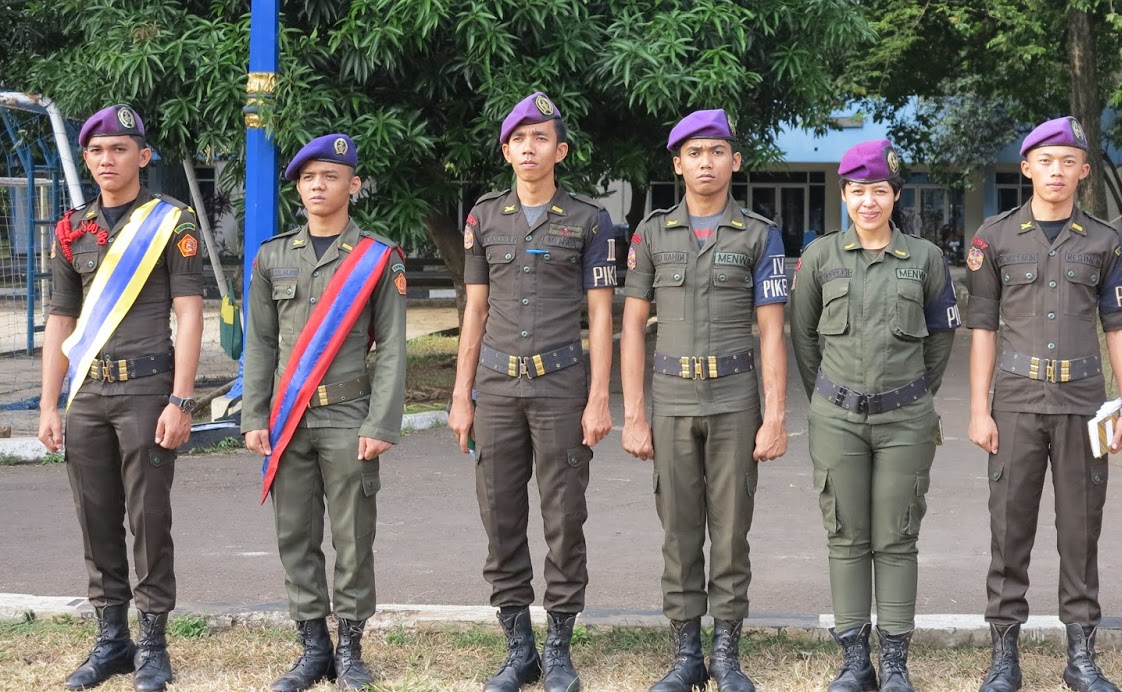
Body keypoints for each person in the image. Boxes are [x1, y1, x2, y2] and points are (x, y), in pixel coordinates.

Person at [447, 92, 618, 692]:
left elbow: (601, 316)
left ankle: (560, 646)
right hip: (495, 386)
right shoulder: (483, 218)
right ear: (505, 150)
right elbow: (474, 309)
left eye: (541, 137)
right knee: (500, 516)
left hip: (562, 384)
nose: (529, 147)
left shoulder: (591, 221)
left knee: (565, 515)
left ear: (560, 150)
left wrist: (601, 397)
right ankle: (518, 647)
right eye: (519, 139)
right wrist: (461, 393)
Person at [965, 116, 1122, 692]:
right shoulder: (994, 238)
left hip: (1083, 403)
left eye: (1068, 161)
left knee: (1080, 529)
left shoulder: (1103, 240)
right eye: (1046, 160)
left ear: (1084, 171)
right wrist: (977, 409)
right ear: (1027, 168)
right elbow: (983, 328)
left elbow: (1119, 326)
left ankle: (1081, 656)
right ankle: (1003, 655)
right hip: (1015, 401)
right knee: (1009, 527)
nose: (1057, 170)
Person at [620, 109, 789, 692]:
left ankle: (727, 652)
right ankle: (686, 651)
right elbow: (633, 324)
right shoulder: (650, 233)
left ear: (734, 161)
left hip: (734, 398)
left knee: (733, 526)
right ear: (678, 164)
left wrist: (776, 416)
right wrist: (634, 414)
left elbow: (771, 330)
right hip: (670, 399)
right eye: (694, 153)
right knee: (678, 526)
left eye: (717, 151)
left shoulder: (761, 235)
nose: (706, 162)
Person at [37, 103, 204, 692]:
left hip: (146, 389)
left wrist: (181, 400)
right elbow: (60, 319)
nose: (107, 159)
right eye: (97, 151)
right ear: (87, 158)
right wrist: (48, 404)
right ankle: (112, 641)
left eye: (119, 149)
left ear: (143, 156)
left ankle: (154, 644)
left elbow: (188, 314)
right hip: (87, 394)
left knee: (148, 516)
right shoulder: (71, 228)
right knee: (96, 515)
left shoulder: (171, 222)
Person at [790, 139, 960, 692]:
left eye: (879, 191)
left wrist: (910, 394)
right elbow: (804, 338)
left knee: (897, 536)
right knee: (845, 535)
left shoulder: (926, 259)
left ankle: (895, 660)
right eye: (858, 191)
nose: (869, 201)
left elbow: (939, 339)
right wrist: (831, 397)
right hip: (835, 417)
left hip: (905, 418)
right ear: (844, 194)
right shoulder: (819, 257)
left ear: (894, 196)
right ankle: (853, 660)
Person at [242, 134, 408, 691]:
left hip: (348, 417)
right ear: (298, 185)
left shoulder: (377, 258)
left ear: (353, 185)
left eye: (331, 176)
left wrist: (381, 423)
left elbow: (392, 346)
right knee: (295, 533)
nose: (318, 185)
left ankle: (352, 650)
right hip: (288, 421)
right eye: (309, 177)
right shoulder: (272, 256)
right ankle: (313, 648)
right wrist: (253, 415)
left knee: (353, 535)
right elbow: (261, 344)